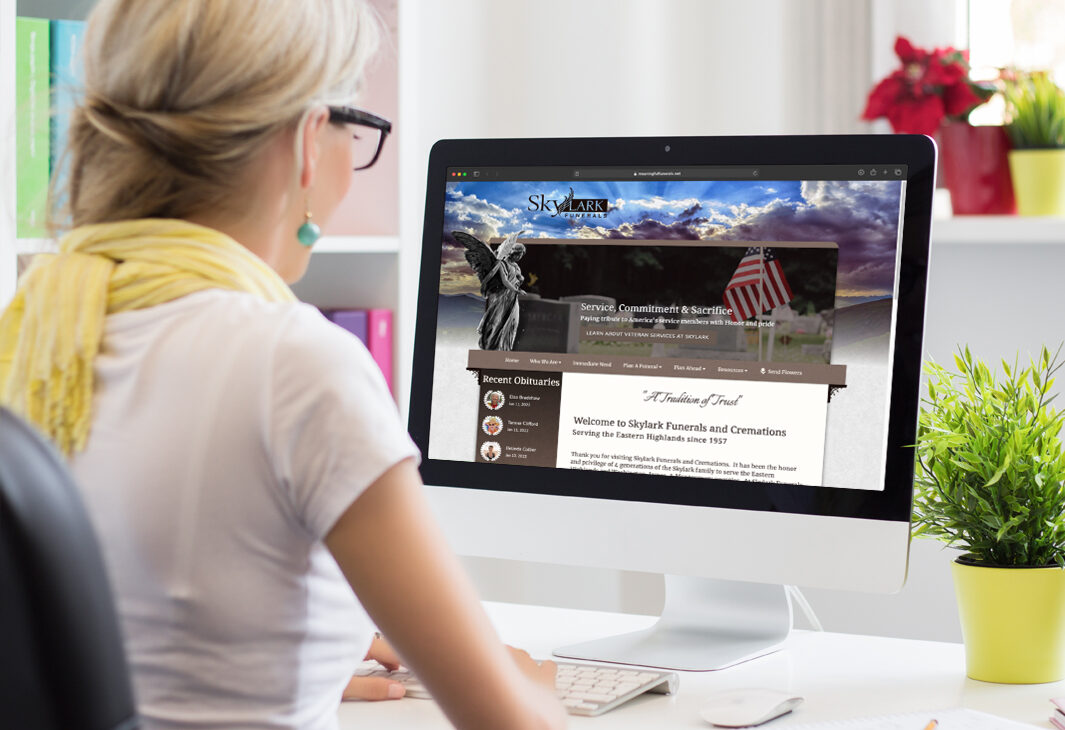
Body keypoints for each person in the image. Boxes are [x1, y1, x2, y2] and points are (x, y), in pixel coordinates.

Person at [0, 1, 565, 729]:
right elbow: (508, 721)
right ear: (306, 139)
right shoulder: (294, 363)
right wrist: (540, 694)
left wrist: (306, 657)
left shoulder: (36, 330)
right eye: (355, 126)